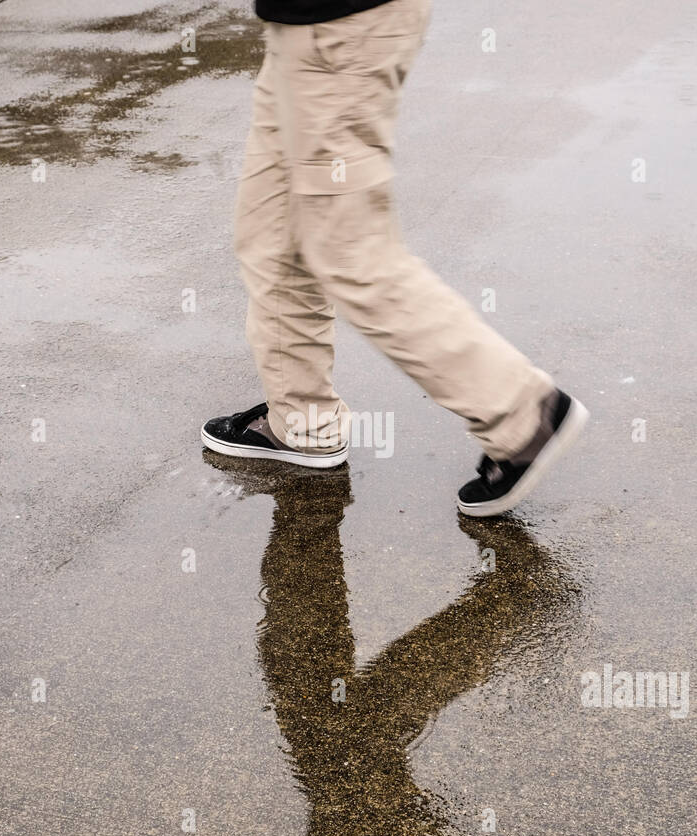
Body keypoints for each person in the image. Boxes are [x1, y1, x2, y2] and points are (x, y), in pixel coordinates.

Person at [200, 0, 586, 517]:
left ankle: (521, 412)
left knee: (348, 248)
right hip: (303, 32)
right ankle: (302, 422)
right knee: (273, 232)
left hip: (337, 28)